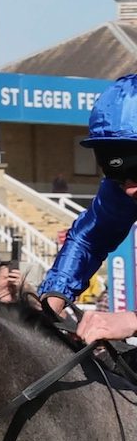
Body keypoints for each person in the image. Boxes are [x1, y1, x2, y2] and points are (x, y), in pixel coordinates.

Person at [39, 75, 137, 344]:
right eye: (116, 176)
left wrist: (132, 321)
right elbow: (88, 240)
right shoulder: (122, 190)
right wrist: (53, 296)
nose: (129, 190)